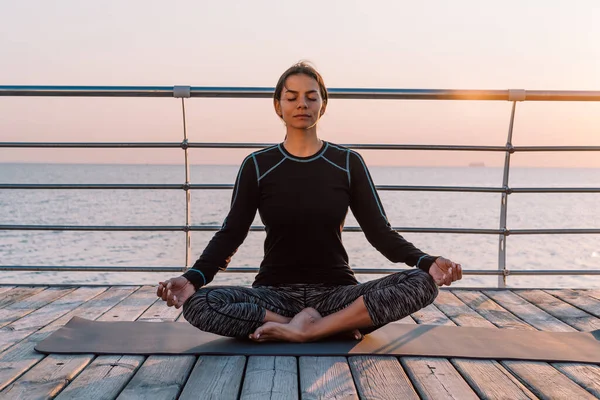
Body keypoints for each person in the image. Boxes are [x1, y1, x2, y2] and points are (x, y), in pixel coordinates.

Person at [157, 61, 462, 343]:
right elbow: (231, 234)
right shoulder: (258, 165)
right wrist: (193, 278)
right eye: (291, 97)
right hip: (274, 295)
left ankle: (308, 329)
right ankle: (315, 325)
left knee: (422, 283)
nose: (302, 104)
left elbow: (381, 234)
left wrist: (427, 262)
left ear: (323, 104)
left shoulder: (347, 162)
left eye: (311, 97)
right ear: (278, 106)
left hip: (336, 294)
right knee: (199, 303)